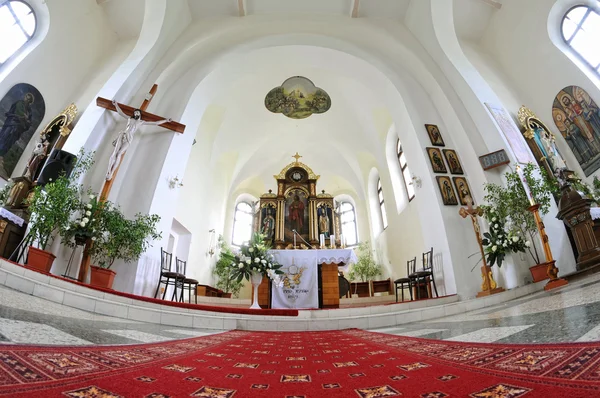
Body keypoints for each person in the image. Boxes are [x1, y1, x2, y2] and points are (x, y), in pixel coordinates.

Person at [106, 100, 171, 181]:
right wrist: (116, 105)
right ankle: (108, 171)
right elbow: (120, 113)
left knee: (119, 153)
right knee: (115, 152)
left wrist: (166, 120)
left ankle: (112, 172)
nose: (136, 114)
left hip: (129, 138)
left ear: (140, 114)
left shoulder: (141, 122)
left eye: (137, 113)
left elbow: (155, 123)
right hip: (123, 134)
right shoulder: (130, 118)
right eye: (135, 113)